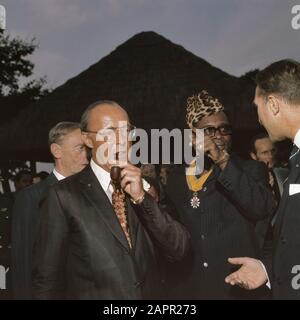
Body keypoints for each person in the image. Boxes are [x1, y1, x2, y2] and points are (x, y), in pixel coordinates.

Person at [32, 100, 190, 300]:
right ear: (87, 140)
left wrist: (142, 198)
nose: (122, 140)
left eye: (127, 131)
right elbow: (47, 280)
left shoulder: (149, 187)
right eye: (110, 132)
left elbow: (180, 250)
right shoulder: (62, 196)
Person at [165, 90, 276, 299]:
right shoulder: (176, 178)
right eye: (209, 130)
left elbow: (262, 208)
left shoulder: (250, 170)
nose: (218, 136)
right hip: (192, 290)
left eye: (224, 129)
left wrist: (222, 161)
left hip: (237, 289)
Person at [225, 59, 300, 300]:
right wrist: (267, 269)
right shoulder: (295, 158)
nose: (258, 118)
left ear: (273, 104)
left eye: (257, 107)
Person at [11, 122, 88, 299]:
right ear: (57, 151)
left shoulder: (92, 193)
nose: (87, 156)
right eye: (80, 148)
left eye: (88, 149)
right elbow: (23, 259)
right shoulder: (31, 197)